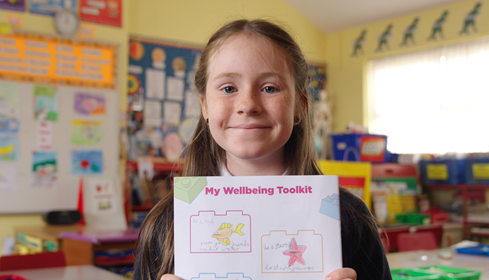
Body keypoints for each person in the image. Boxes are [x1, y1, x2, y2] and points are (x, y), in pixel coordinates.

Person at [133, 19, 392, 280]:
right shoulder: (167, 225)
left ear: (300, 106)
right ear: (205, 107)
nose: (248, 104)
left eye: (269, 88)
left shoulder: (349, 219)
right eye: (228, 88)